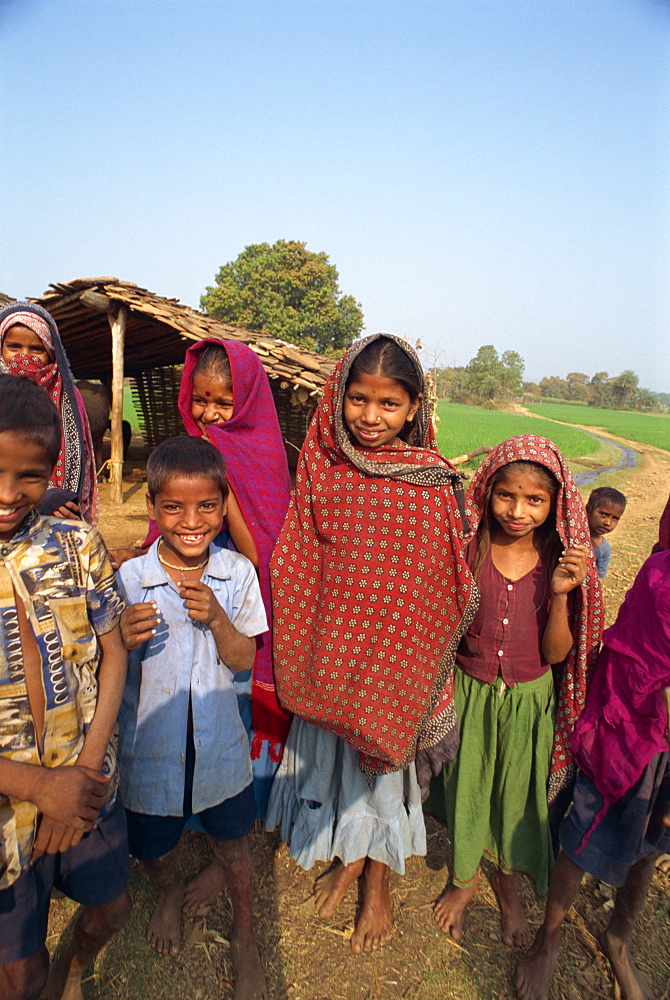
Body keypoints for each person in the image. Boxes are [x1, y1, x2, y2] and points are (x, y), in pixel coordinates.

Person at [266, 333, 477, 954]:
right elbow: (299, 561)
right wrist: (324, 637)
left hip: (395, 666)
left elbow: (439, 584)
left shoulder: (433, 486)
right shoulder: (321, 468)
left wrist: (398, 645)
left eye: (389, 405)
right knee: (335, 761)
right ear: (339, 397)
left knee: (385, 768)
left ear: (414, 409)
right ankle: (346, 854)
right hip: (331, 653)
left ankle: (376, 880)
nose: (371, 417)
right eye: (359, 399)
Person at [425, 435, 603, 947]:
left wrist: (561, 597)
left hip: (529, 700)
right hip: (470, 693)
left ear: (555, 504)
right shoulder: (470, 545)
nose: (517, 511)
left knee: (514, 797)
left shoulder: (563, 560)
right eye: (506, 495)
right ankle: (464, 879)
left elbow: (555, 655)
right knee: (468, 786)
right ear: (489, 492)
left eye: (534, 500)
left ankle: (507, 886)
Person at [111, 340, 291, 818]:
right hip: (180, 595)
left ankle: (230, 807)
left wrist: (223, 482)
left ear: (247, 402)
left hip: (234, 596)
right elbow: (168, 525)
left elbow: (258, 554)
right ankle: (181, 796)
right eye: (201, 399)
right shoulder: (192, 448)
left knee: (227, 701)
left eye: (224, 402)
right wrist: (133, 551)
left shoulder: (259, 451)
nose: (210, 413)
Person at [117, 436, 267, 1000]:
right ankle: (169, 892)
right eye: (174, 507)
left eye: (207, 505)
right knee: (155, 848)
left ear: (225, 505)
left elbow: (245, 658)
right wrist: (121, 640)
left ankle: (245, 933)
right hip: (150, 750)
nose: (190, 520)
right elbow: (109, 667)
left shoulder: (237, 574)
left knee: (234, 848)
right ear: (154, 509)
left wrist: (221, 622)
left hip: (220, 748)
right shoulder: (129, 579)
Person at [0, 374, 129, 1000]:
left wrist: (81, 772)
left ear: (53, 469)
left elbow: (113, 652)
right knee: (16, 973)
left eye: (28, 475)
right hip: (8, 809)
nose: (8, 493)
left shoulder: (76, 544)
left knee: (110, 908)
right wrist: (38, 788)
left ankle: (71, 971)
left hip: (86, 779)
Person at [517, 548, 670, 1000]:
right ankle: (550, 938)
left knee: (652, 841)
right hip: (633, 718)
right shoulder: (662, 573)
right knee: (588, 830)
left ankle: (618, 937)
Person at [0, 301, 99, 523]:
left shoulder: (69, 398)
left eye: (37, 349)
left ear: (51, 353)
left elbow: (76, 455)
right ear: (1, 348)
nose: (24, 357)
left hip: (58, 513)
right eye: (13, 347)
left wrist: (55, 497)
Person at [586, 486, 627, 579]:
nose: (608, 522)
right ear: (588, 510)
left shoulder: (603, 549)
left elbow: (598, 578)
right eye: (604, 514)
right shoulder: (569, 535)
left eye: (615, 518)